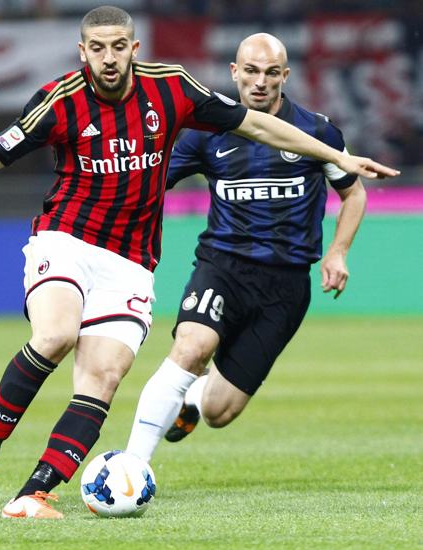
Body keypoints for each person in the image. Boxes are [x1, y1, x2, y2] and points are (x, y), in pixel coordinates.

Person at [0, 7, 396, 519]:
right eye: (97, 48)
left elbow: (259, 128)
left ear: (134, 49)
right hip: (67, 237)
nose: (108, 58)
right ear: (82, 51)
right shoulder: (58, 101)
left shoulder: (174, 89)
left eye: (118, 47)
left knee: (105, 378)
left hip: (134, 261)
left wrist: (341, 159)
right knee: (58, 335)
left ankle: (33, 495)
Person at [125, 33, 370, 463]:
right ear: (235, 72)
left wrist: (338, 252)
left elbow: (354, 193)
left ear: (285, 76)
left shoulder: (315, 131)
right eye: (251, 72)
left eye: (271, 73)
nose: (260, 82)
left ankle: (194, 398)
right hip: (223, 266)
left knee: (220, 413)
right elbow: (151, 182)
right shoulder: (206, 133)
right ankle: (131, 466)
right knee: (191, 346)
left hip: (285, 286)